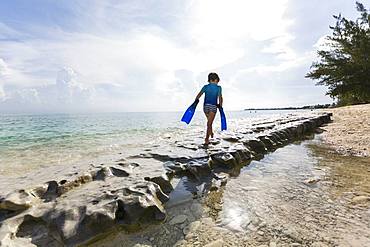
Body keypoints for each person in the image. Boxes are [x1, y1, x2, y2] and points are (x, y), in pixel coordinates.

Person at [194, 72, 223, 145]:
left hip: (205, 106)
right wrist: (220, 105)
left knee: (209, 122)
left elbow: (199, 94)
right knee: (209, 123)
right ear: (216, 79)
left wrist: (196, 101)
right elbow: (220, 97)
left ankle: (212, 133)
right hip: (213, 106)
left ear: (209, 80)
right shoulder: (218, 88)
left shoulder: (205, 87)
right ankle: (207, 139)